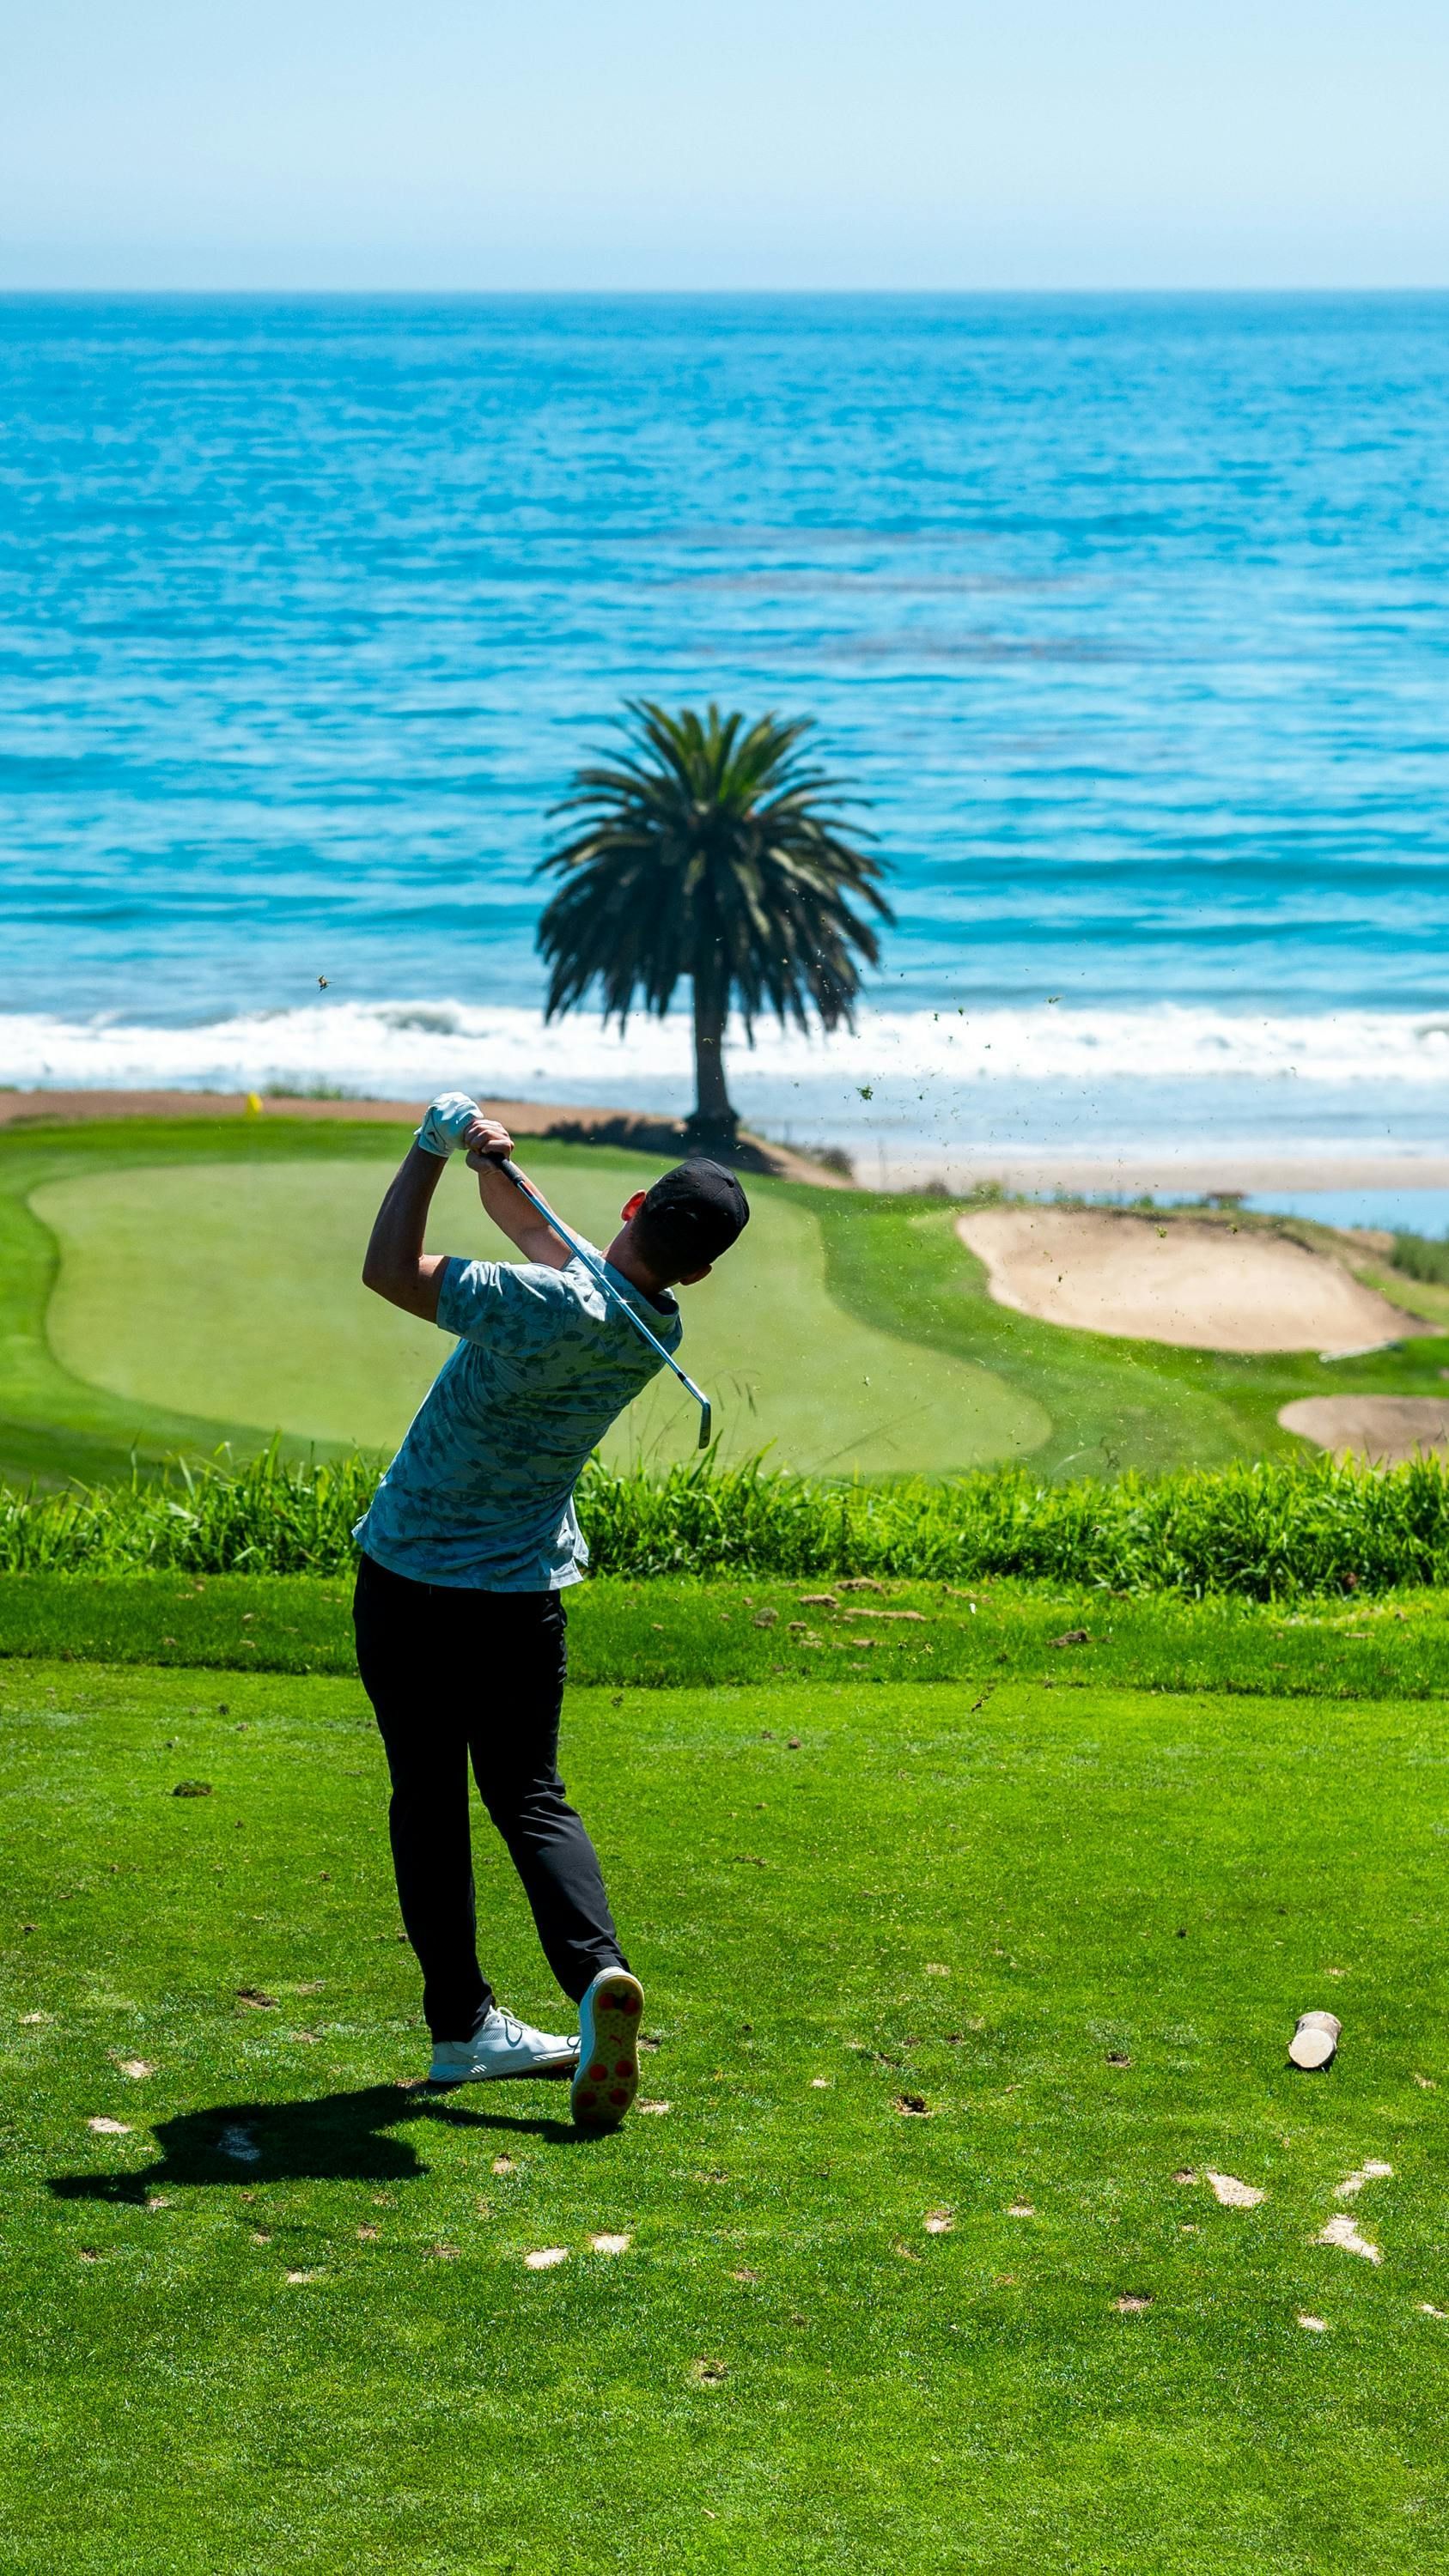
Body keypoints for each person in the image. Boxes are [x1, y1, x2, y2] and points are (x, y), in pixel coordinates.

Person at [352, 1092, 750, 2129]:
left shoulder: (534, 1304)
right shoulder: (652, 1322)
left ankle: (461, 2027)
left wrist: (427, 1151)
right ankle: (596, 1975)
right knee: (529, 1794)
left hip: (406, 1580)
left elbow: (389, 1273)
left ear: (631, 1202)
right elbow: (537, 1227)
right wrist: (493, 1157)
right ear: (699, 1268)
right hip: (521, 1595)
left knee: (428, 1798)